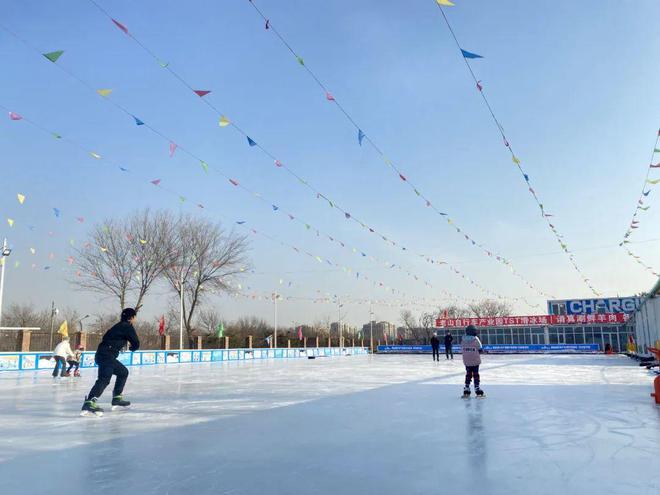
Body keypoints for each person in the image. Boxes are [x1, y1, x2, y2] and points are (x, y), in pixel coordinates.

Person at [81, 308, 140, 415]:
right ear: (132, 317)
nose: (135, 319)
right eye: (135, 317)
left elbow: (106, 337)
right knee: (104, 379)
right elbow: (136, 343)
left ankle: (117, 397)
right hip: (107, 356)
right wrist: (132, 347)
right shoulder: (127, 327)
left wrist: (119, 344)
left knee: (123, 372)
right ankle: (90, 402)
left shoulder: (117, 326)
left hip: (103, 355)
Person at [462, 325, 484, 398]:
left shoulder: (463, 339)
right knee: (476, 374)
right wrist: (481, 351)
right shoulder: (475, 339)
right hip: (475, 360)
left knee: (468, 374)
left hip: (467, 361)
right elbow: (480, 348)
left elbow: (461, 347)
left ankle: (467, 387)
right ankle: (477, 387)